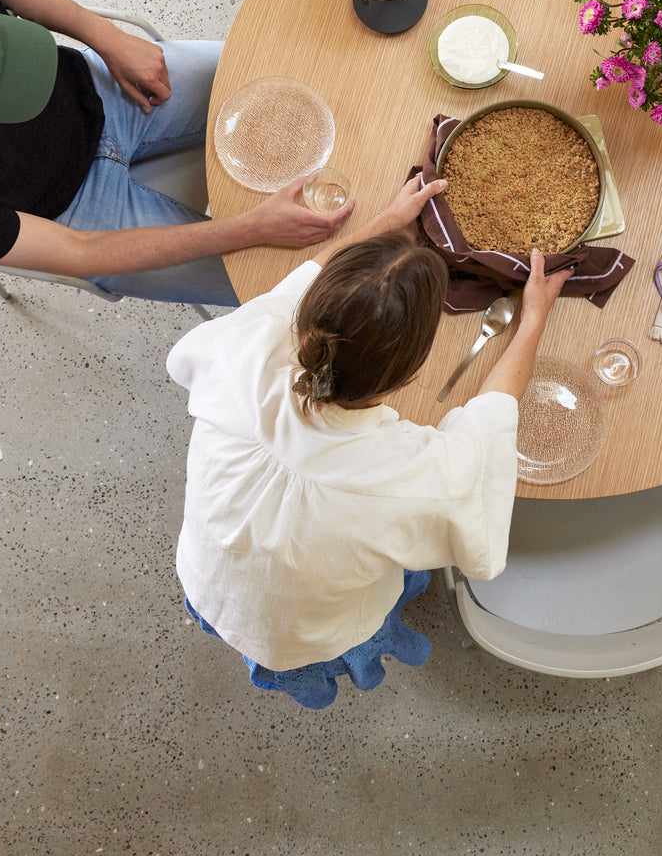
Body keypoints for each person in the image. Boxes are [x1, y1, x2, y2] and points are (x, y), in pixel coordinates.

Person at [167, 175, 572, 707]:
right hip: (306, 635)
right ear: (408, 378)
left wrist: (385, 223)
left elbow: (308, 282)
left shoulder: (248, 344)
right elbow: (494, 416)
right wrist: (534, 318)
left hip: (207, 580)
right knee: (333, 626)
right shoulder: (414, 480)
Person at [0, 0, 344, 307]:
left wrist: (107, 38)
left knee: (297, 77)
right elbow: (78, 250)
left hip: (99, 88)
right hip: (77, 215)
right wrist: (252, 228)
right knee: (297, 284)